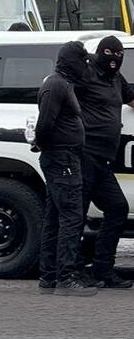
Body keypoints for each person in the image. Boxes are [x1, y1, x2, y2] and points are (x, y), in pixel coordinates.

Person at [34, 42, 94, 296]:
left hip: (62, 157)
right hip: (63, 159)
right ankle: (66, 278)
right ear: (72, 61)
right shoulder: (57, 84)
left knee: (55, 217)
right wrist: (44, 144)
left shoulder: (61, 82)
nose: (87, 66)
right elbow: (45, 122)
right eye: (83, 61)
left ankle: (49, 277)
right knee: (71, 217)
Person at [76, 36, 134, 289]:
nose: (114, 58)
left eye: (118, 54)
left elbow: (131, 99)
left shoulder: (115, 79)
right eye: (109, 53)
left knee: (118, 208)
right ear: (99, 53)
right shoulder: (86, 75)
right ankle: (70, 271)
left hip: (104, 161)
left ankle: (102, 269)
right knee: (75, 216)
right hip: (84, 154)